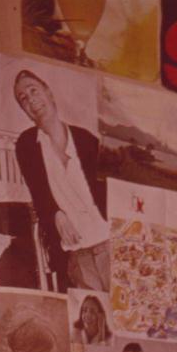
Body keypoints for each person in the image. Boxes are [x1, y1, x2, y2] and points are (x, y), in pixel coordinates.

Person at [11, 69, 109, 291]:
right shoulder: (27, 145)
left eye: (33, 90)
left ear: (49, 93)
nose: (31, 99)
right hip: (76, 254)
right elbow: (38, 193)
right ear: (24, 110)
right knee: (96, 322)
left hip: (109, 241)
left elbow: (112, 192)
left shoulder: (87, 140)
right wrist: (57, 214)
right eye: (23, 98)